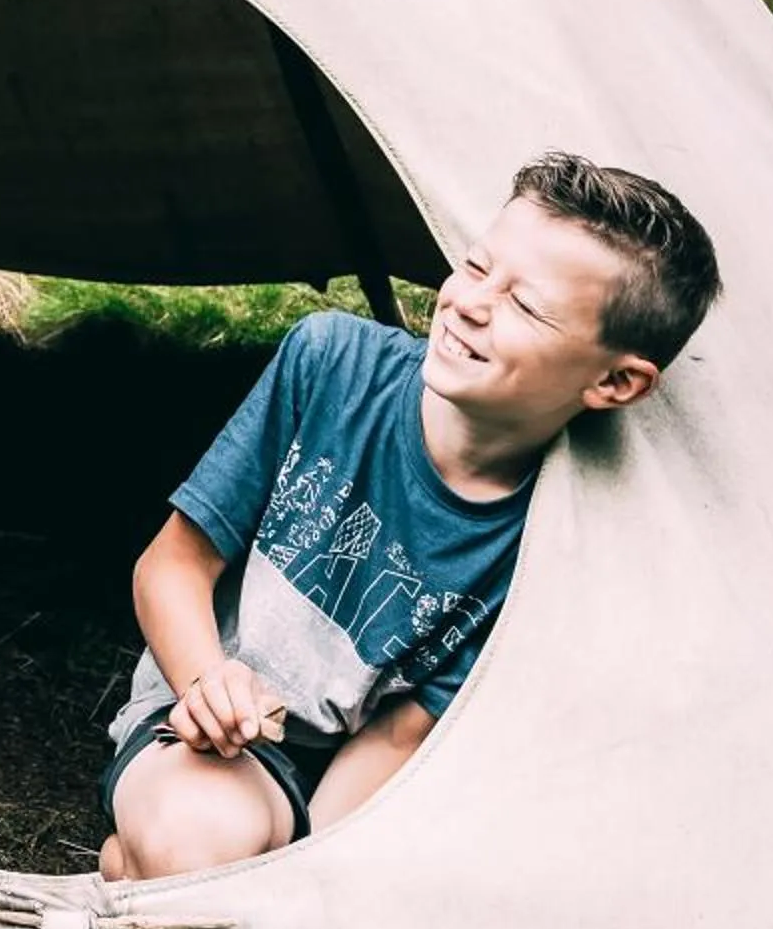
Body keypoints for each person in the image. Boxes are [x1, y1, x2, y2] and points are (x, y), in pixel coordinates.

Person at [99, 152, 721, 880]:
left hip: (370, 783)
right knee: (198, 838)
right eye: (476, 265)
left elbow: (402, 732)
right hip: (204, 713)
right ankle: (165, 858)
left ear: (615, 380)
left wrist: (304, 874)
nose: (472, 304)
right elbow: (170, 565)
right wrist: (209, 685)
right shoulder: (331, 363)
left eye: (525, 306)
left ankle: (137, 871)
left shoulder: (556, 529)